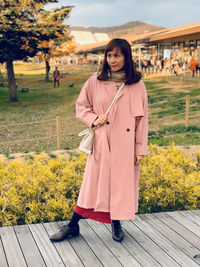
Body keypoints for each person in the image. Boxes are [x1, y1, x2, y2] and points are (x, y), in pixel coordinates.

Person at [50, 38, 148, 243]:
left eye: (117, 55)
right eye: (109, 55)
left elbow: (142, 120)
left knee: (120, 187)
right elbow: (81, 106)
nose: (112, 59)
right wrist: (94, 118)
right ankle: (73, 224)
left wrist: (140, 149)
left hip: (125, 146)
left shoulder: (137, 85)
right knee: (91, 185)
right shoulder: (95, 81)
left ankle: (116, 223)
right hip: (102, 143)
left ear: (126, 57)